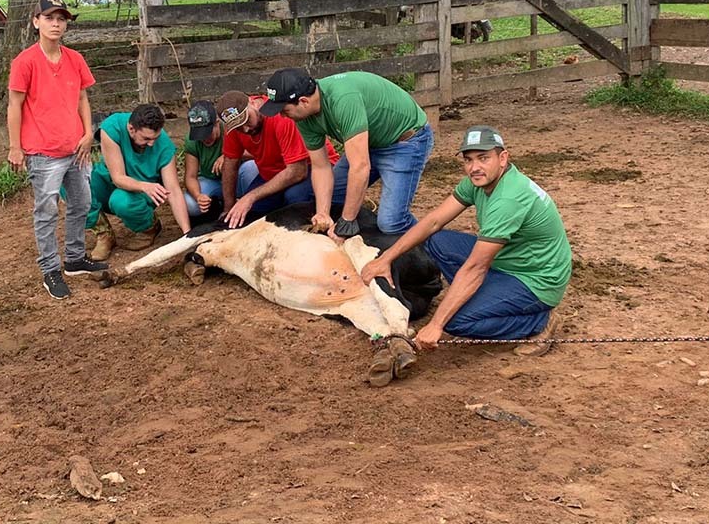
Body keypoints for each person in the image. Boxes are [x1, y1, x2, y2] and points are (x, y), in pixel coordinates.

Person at [360, 126, 571, 357]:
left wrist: (437, 324)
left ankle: (538, 322)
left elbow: (476, 268)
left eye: (483, 158)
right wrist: (387, 258)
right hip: (511, 260)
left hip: (537, 280)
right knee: (437, 239)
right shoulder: (479, 181)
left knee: (457, 323)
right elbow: (433, 221)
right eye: (468, 160)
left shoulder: (509, 199)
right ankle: (477, 296)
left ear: (503, 158)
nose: (474, 167)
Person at [8, 0, 106, 301]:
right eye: (49, 18)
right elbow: (15, 104)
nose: (56, 24)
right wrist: (15, 147)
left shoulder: (75, 59)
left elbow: (82, 98)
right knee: (47, 210)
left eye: (61, 19)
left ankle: (74, 258)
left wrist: (89, 133)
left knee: (82, 203)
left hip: (76, 147)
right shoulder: (25, 62)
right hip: (43, 151)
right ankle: (50, 269)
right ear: (36, 22)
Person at [260, 68, 432, 242]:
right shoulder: (302, 117)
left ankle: (436, 247)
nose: (282, 116)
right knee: (331, 198)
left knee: (392, 222)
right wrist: (322, 213)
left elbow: (360, 167)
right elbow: (320, 166)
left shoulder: (342, 100)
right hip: (367, 142)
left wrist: (347, 222)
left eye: (284, 110)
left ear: (303, 101)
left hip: (404, 142)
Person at [215, 90, 343, 229]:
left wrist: (250, 196)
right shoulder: (234, 130)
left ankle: (315, 227)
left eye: (247, 120)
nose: (245, 129)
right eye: (238, 127)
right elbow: (230, 163)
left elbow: (298, 171)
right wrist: (229, 208)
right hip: (274, 171)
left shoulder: (280, 117)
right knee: (250, 212)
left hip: (312, 166)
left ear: (252, 102)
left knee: (294, 198)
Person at [86, 103, 191, 260]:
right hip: (113, 180)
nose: (152, 143)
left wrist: (187, 234)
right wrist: (144, 186)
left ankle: (148, 227)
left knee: (121, 200)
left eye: (156, 137)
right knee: (75, 186)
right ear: (131, 129)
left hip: (140, 195)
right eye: (146, 138)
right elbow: (118, 177)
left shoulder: (165, 146)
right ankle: (104, 234)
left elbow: (174, 190)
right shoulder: (112, 128)